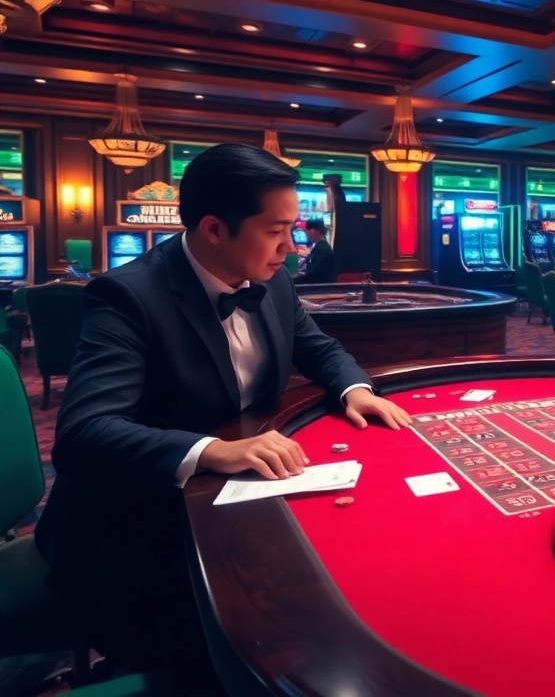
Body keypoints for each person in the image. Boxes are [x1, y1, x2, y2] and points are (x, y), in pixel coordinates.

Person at [35, 143, 412, 692]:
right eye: (275, 230)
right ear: (213, 229)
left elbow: (319, 347)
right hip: (137, 533)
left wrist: (354, 388)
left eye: (295, 227)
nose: (293, 245)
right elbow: (83, 432)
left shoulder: (275, 278)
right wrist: (214, 450)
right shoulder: (127, 297)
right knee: (255, 649)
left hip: (233, 505)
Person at [294, 218, 335, 284]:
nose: (306, 233)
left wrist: (294, 280)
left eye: (307, 231)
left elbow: (313, 274)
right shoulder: (319, 246)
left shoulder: (322, 249)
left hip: (320, 289)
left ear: (315, 231)